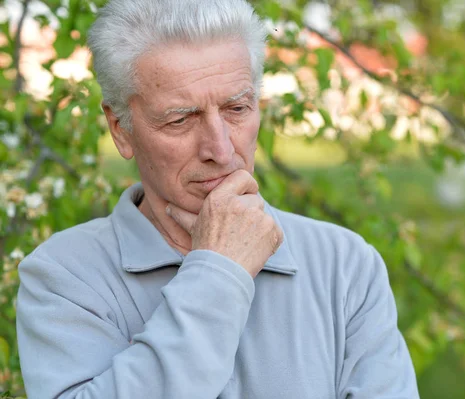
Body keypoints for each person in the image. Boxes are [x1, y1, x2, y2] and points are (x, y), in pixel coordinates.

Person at [16, 0, 419, 398]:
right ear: (120, 128)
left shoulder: (345, 266)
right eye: (180, 119)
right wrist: (219, 274)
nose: (221, 150)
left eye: (236, 108)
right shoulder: (63, 278)